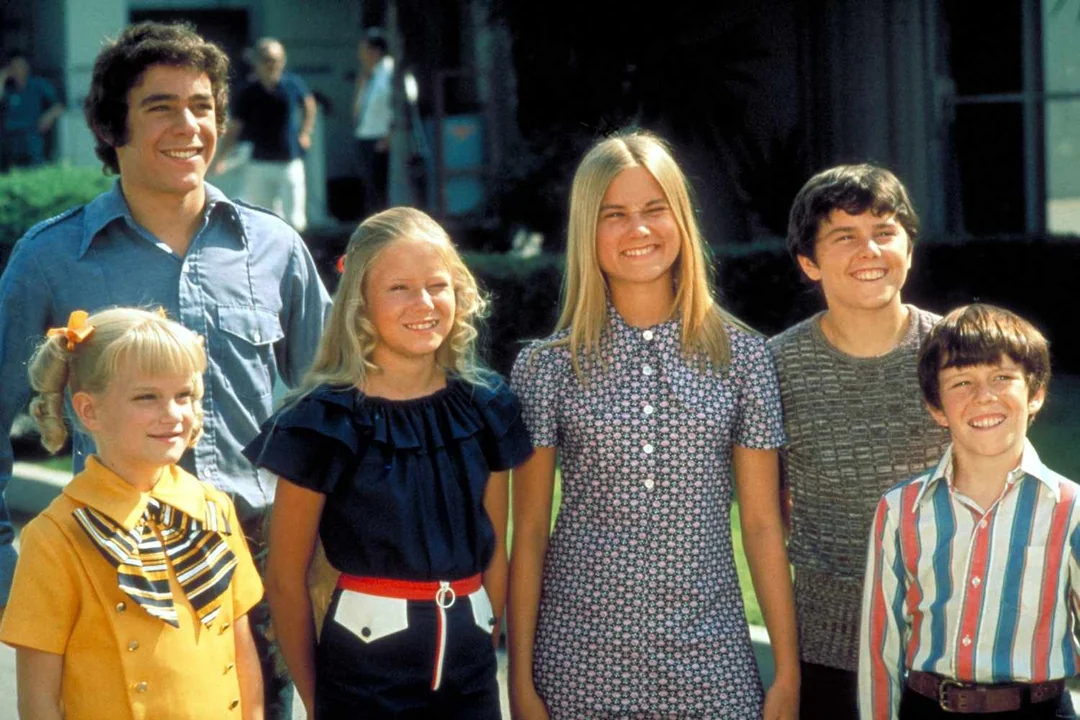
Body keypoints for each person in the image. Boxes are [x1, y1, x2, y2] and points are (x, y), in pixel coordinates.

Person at [0, 21, 331, 720]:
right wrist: (9, 563)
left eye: (203, 106)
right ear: (112, 122)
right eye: (161, 106)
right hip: (110, 559)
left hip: (259, 558)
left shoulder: (273, 246)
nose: (190, 125)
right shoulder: (49, 259)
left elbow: (340, 403)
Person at [508, 130, 799, 719]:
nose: (637, 230)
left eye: (653, 209)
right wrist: (520, 682)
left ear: (681, 219)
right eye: (614, 214)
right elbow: (530, 531)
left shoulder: (744, 359)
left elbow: (764, 526)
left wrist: (787, 676)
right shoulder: (545, 368)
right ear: (588, 231)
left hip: (712, 658)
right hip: (577, 660)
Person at [242, 207, 533, 718]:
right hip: (361, 678)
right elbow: (286, 578)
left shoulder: (487, 406)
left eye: (437, 285)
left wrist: (481, 646)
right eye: (399, 288)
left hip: (470, 672)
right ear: (360, 303)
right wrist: (317, 701)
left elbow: (495, 551)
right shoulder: (323, 421)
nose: (423, 303)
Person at [0, 307, 265, 719]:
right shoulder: (56, 537)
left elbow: (240, 647)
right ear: (88, 411)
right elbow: (38, 701)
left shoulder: (214, 508)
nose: (173, 414)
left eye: (184, 395)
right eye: (147, 396)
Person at [766, 164, 949, 718]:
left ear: (910, 249)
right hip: (828, 648)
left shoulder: (958, 353)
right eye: (844, 236)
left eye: (885, 231)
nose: (869, 250)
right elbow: (766, 517)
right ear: (809, 263)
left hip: (949, 645)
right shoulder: (774, 367)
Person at [860, 304, 1078, 720]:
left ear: (1035, 394)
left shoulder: (1070, 509)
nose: (984, 396)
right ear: (936, 407)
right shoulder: (900, 509)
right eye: (961, 382)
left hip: (1040, 709)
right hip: (929, 707)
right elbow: (879, 647)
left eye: (1002, 377)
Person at [218, 38, 317, 232]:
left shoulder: (292, 84)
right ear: (256, 62)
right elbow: (235, 128)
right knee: (263, 218)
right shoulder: (248, 91)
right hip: (259, 163)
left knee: (296, 220)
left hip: (289, 160)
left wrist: (305, 132)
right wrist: (222, 157)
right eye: (266, 59)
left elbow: (309, 104)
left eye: (276, 59)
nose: (271, 64)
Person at [0, 52, 64, 170]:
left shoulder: (38, 84)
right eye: (13, 67)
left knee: (34, 170)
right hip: (10, 142)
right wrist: (2, 78)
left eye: (21, 66)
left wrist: (48, 117)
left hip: (32, 138)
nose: (18, 70)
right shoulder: (8, 89)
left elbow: (59, 106)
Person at [353, 28, 393, 215]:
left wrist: (389, 136)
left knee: (380, 188)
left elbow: (402, 104)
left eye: (364, 50)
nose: (361, 55)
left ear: (375, 51)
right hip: (365, 134)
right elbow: (358, 109)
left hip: (381, 137)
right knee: (369, 187)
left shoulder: (390, 71)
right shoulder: (370, 75)